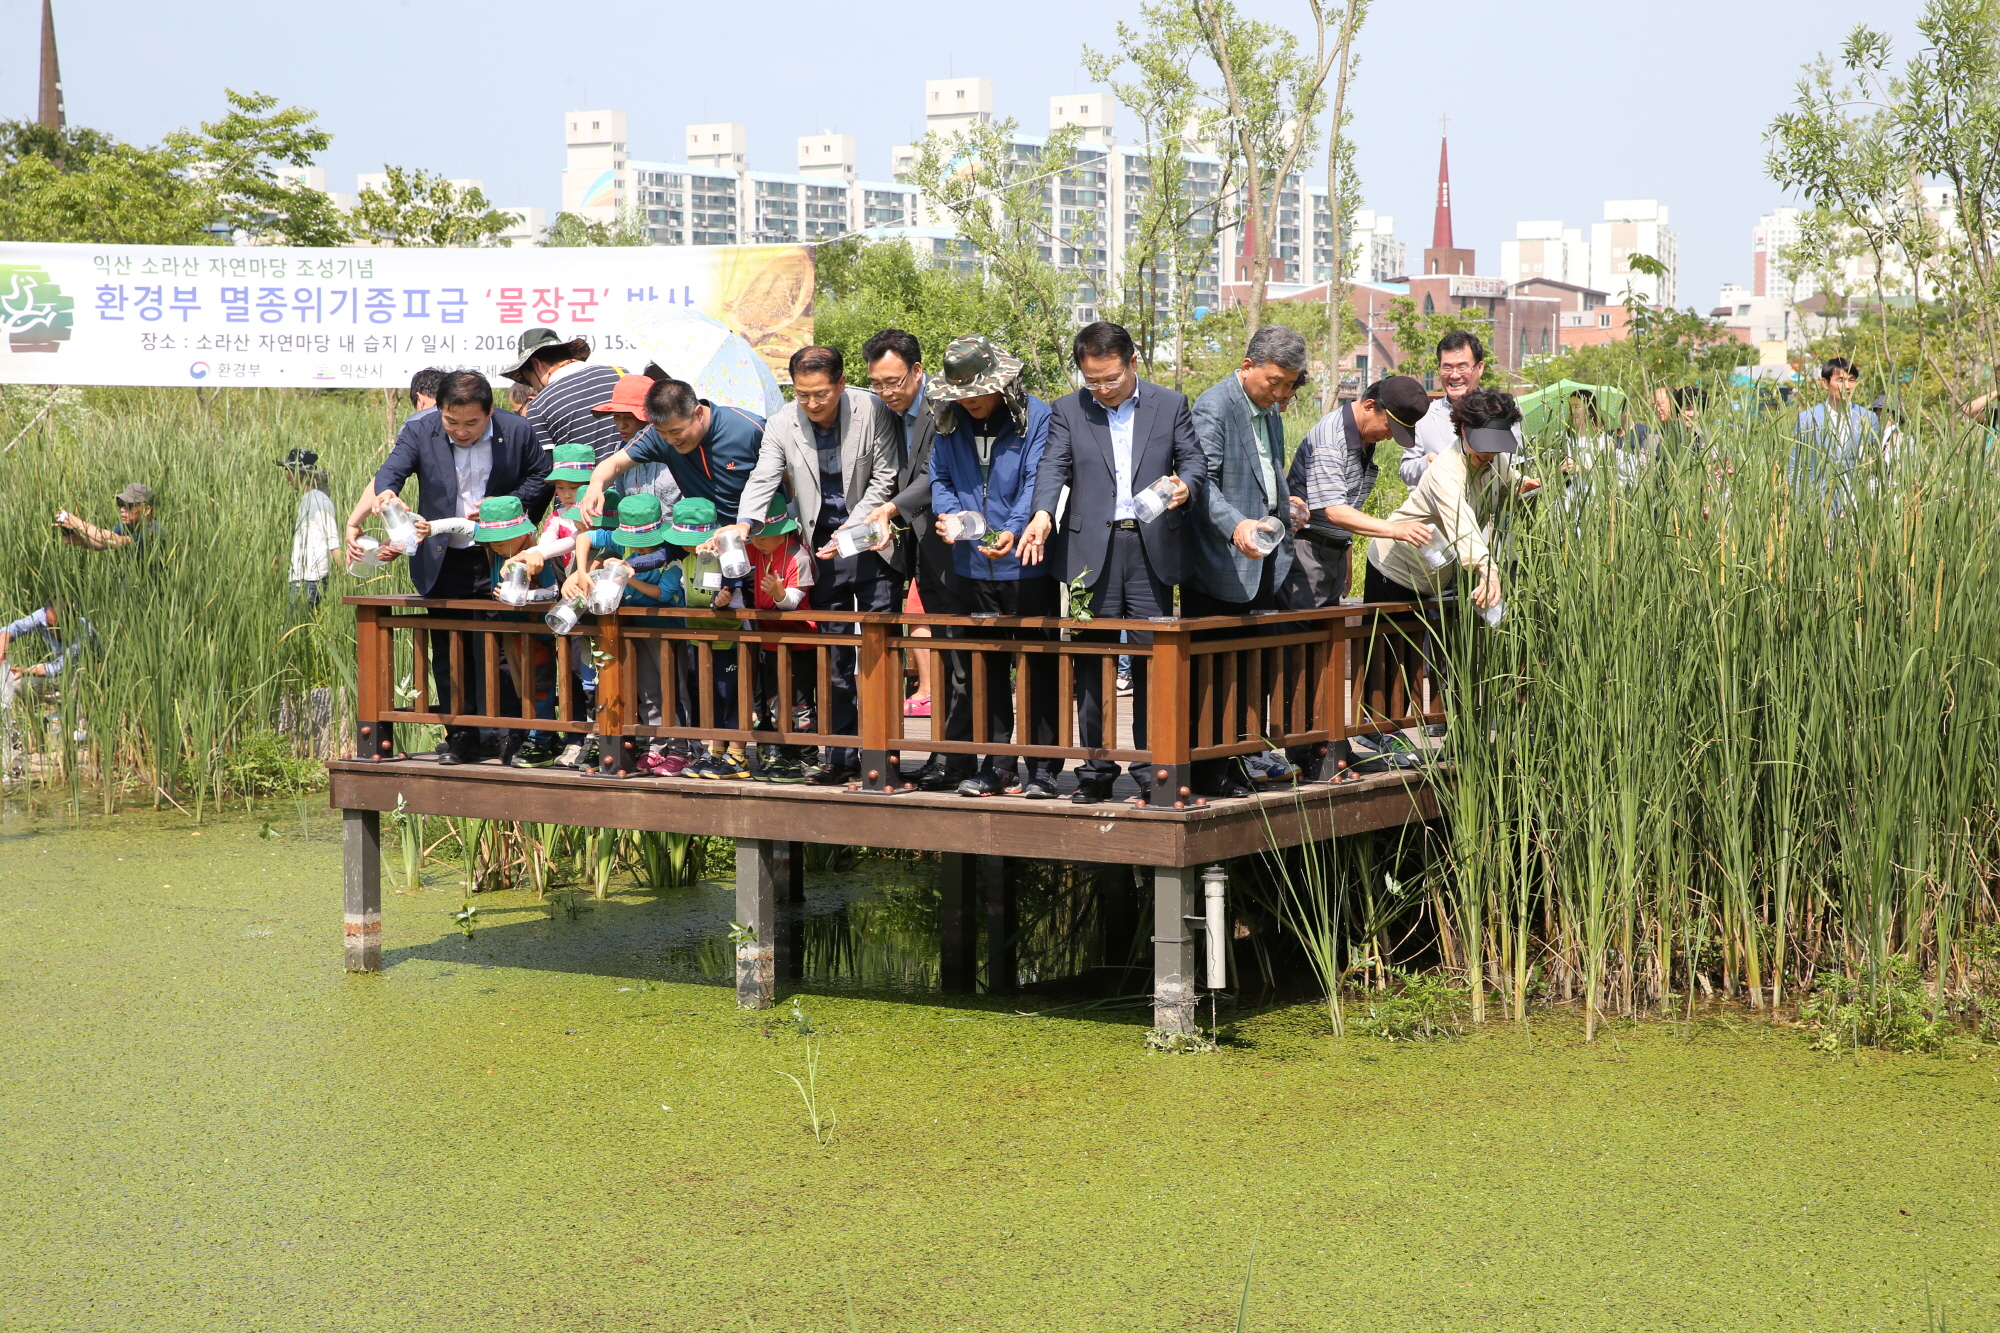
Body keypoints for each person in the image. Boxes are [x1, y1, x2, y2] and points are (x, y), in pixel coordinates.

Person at [1019, 320, 1207, 805]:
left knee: (1152, 663)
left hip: (1151, 550)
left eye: (1111, 379)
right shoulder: (1068, 409)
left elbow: (1194, 462)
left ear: (1132, 362)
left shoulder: (1170, 404)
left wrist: (1185, 486)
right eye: (1092, 381)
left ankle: (1150, 768)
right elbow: (1052, 466)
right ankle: (1096, 769)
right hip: (1089, 553)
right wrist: (1042, 514)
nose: (1102, 389)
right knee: (1092, 665)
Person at [716, 345, 902, 785]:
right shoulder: (782, 421)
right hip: (820, 551)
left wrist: (853, 528)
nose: (813, 403)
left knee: (880, 652)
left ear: (841, 383)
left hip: (871, 543)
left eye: (821, 394)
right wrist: (745, 523)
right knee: (832, 655)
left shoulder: (872, 408)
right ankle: (839, 756)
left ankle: (885, 756)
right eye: (803, 394)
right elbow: (764, 476)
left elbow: (885, 477)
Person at [348, 369, 551, 766]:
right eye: (451, 421)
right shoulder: (420, 429)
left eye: (471, 423)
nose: (461, 431)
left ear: (490, 412)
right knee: (450, 649)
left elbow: (541, 476)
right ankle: (461, 736)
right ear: (439, 410)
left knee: (505, 647)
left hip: (498, 555)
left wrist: (505, 508)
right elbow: (392, 470)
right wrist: (388, 492)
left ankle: (510, 734)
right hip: (443, 557)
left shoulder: (517, 430)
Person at [927, 335, 1062, 799]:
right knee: (985, 669)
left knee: (1038, 668)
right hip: (970, 565)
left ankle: (1044, 767)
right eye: (961, 392)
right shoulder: (948, 421)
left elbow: (1038, 479)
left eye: (978, 391)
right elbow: (940, 478)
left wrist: (1014, 528)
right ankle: (997, 765)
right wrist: (951, 517)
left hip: (1027, 562)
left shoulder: (1037, 416)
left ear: (1001, 383)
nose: (970, 400)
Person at [1186, 325, 1311, 799]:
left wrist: (1286, 502)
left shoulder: (1270, 412)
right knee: (1212, 675)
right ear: (1247, 366)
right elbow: (1201, 483)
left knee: (1243, 670)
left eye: (1288, 385)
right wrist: (1236, 524)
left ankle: (1235, 759)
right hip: (1221, 561)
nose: (1280, 393)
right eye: (1274, 381)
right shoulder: (1214, 406)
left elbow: (1267, 469)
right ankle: (1207, 771)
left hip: (1262, 557)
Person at [851, 328, 964, 790]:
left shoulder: (946, 406)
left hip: (951, 544)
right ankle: (944, 756)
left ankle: (956, 758)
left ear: (918, 371)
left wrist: (891, 509)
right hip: (915, 546)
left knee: (956, 651)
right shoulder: (885, 412)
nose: (886, 392)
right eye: (877, 383)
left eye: (894, 382)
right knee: (938, 647)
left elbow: (935, 475)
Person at [1366, 388, 1540, 611]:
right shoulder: (1446, 470)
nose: (1488, 454)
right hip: (1396, 568)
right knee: (1389, 634)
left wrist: (1524, 486)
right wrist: (1487, 569)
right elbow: (1461, 522)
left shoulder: (1496, 459)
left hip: (1433, 572)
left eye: (1495, 447)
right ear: (1464, 429)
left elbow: (1508, 482)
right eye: (1482, 446)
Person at [1285, 375, 1437, 610]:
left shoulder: (1364, 436)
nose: (1389, 437)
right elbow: (1335, 511)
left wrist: (1345, 550)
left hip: (1333, 551)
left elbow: (1347, 502)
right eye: (1389, 428)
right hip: (1306, 552)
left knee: (1327, 629)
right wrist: (1397, 529)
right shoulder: (1330, 440)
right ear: (1369, 406)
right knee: (1300, 629)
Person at [659, 496, 750, 780]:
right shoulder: (683, 554)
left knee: (732, 695)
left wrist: (726, 594)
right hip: (699, 639)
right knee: (709, 697)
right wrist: (627, 567)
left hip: (731, 639)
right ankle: (715, 752)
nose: (688, 545)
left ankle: (738, 756)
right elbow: (654, 558)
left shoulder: (728, 552)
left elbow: (738, 578)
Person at [471, 495, 564, 767]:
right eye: (492, 543)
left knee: (539, 688)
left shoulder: (535, 557)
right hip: (513, 635)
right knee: (523, 688)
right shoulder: (498, 555)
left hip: (537, 635)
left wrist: (524, 596)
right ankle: (544, 736)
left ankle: (541, 740)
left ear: (522, 535)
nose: (496, 548)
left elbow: (554, 592)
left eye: (501, 542)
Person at [744, 512, 816, 784]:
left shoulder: (799, 556)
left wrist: (779, 594)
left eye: (762, 537)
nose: (756, 542)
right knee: (775, 703)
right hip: (769, 641)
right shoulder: (758, 549)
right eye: (754, 537)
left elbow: (794, 601)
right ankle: (786, 756)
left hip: (798, 643)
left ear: (783, 533)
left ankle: (808, 759)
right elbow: (734, 554)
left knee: (799, 705)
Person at [1400, 332, 1521, 483]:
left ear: (1480, 368)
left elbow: (1516, 462)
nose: (1454, 375)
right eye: (1447, 368)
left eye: (1462, 367)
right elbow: (1406, 470)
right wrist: (1428, 464)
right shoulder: (1424, 415)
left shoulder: (1502, 410)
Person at [499, 327, 625, 463]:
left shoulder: (539, 406)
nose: (534, 387)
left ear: (537, 364)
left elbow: (546, 468)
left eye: (529, 379)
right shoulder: (621, 374)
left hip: (588, 477)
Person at [1794, 357, 1878, 490]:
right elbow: (1794, 466)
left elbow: (1873, 462)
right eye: (1840, 380)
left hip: (1856, 494)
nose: (1847, 386)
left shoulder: (1867, 417)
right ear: (1825, 383)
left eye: (1851, 380)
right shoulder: (1808, 418)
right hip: (1819, 495)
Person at [279, 448, 339, 609]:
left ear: (304, 474)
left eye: (290, 471)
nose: (287, 476)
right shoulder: (307, 500)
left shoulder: (318, 501)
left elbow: (333, 542)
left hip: (309, 580)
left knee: (294, 624)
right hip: (301, 578)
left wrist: (347, 575)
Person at [0, 597, 98, 691]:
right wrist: (3, 643)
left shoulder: (83, 632)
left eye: (58, 626)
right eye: (49, 625)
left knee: (74, 684)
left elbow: (58, 667)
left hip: (84, 673)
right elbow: (15, 628)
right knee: (17, 683)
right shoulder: (44, 614)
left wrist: (26, 672)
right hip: (57, 670)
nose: (52, 630)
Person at [56, 482, 156, 553]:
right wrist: (72, 533)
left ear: (146, 510)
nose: (122, 509)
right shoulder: (124, 528)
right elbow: (101, 543)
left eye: (128, 506)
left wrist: (78, 523)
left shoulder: (154, 531)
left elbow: (119, 541)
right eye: (120, 504)